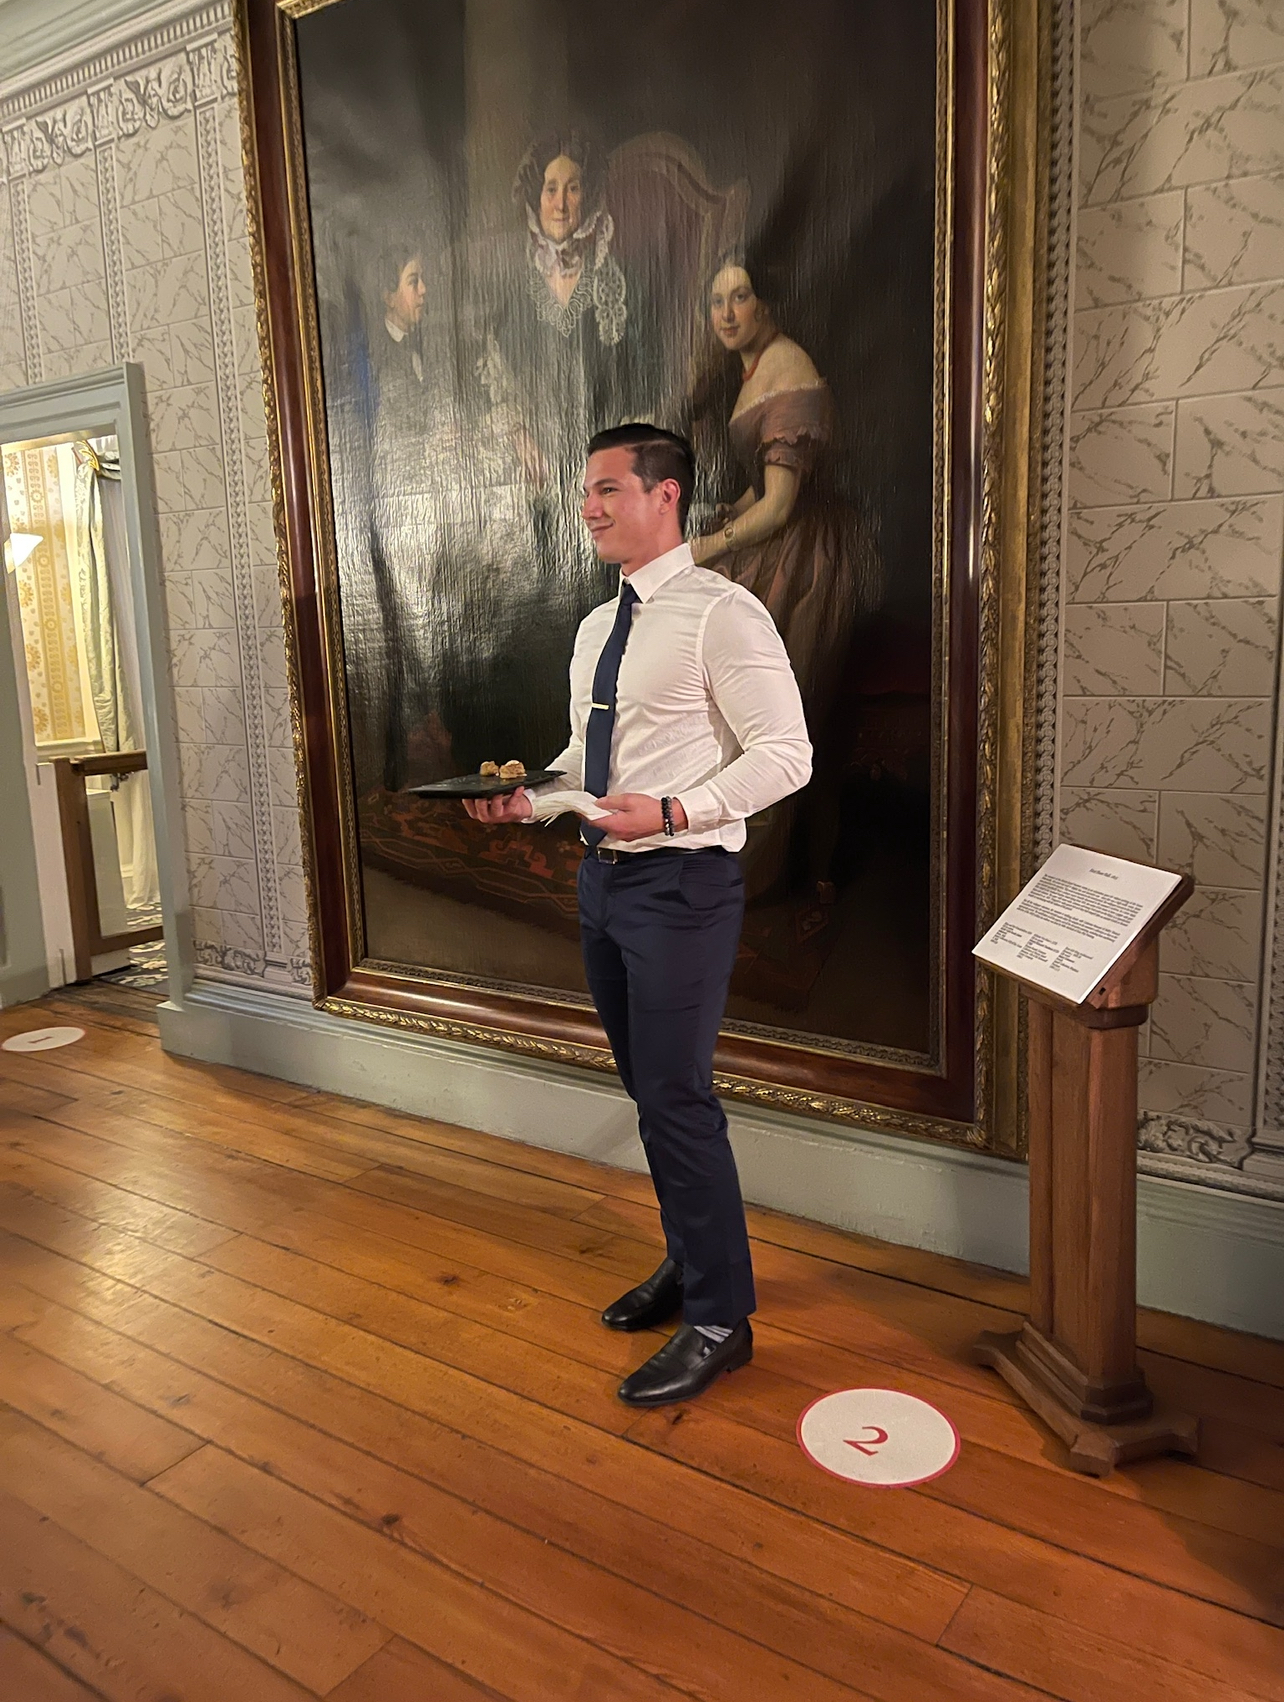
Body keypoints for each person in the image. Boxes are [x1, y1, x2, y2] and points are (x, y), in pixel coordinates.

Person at [463, 423, 811, 1406]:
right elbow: (587, 760)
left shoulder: (722, 614)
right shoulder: (593, 630)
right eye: (586, 491)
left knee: (676, 1097)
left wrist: (674, 812)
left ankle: (722, 1319)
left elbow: (787, 755)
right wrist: (528, 800)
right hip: (603, 884)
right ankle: (690, 1263)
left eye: (608, 488)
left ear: (667, 495)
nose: (589, 507)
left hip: (683, 887)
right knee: (650, 1091)